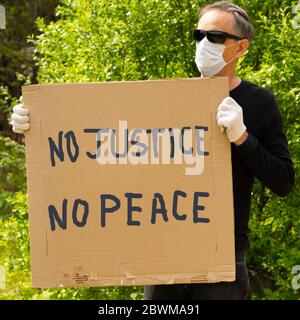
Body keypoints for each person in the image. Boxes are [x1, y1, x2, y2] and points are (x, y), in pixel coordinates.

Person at [11, 1, 294, 300]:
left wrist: (243, 138)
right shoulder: (166, 100)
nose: (203, 44)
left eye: (214, 37)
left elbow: (283, 181)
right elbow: (103, 143)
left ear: (240, 47)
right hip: (162, 258)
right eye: (199, 36)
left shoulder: (260, 102)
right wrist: (37, 123)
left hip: (222, 263)